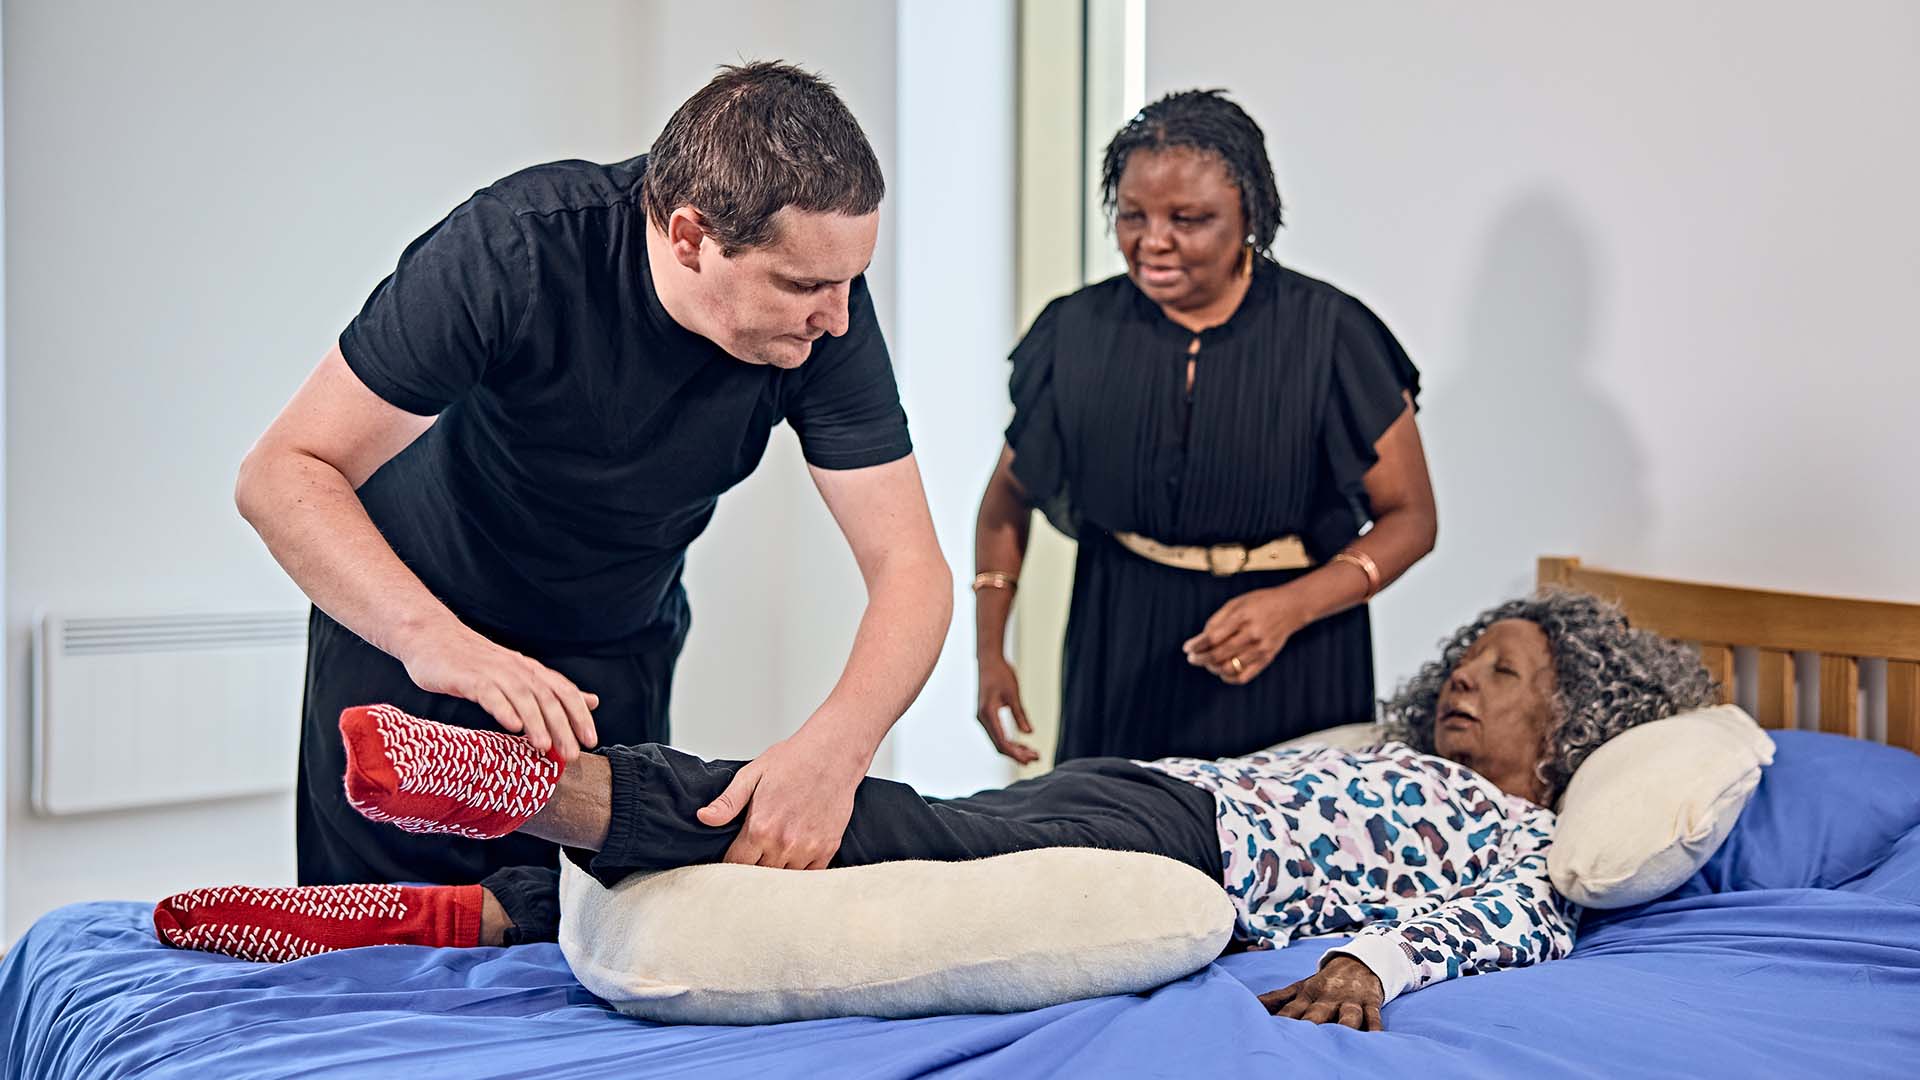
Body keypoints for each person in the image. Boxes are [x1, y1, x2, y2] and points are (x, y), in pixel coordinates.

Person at [155, 590, 1718, 1030]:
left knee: (869, 823)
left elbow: (1514, 921)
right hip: (1144, 793)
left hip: (1184, 849)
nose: (1467, 685)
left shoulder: (1528, 840)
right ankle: (461, 904)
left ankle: (514, 792)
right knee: (861, 829)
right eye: (1472, 659)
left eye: (1507, 675)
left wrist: (1377, 969)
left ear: (1575, 716)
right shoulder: (1396, 751)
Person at [234, 62, 951, 944]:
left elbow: (910, 566)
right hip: (414, 639)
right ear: (690, 237)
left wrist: (834, 753)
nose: (837, 319)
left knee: (582, 956)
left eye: (850, 281)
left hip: (610, 662)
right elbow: (282, 471)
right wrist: (437, 642)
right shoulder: (516, 251)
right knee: (386, 980)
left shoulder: (825, 310)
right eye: (803, 287)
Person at [972, 89, 1437, 767]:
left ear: (1250, 214)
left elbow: (1412, 518)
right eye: (1132, 215)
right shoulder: (1074, 331)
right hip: (1121, 643)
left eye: (1188, 218)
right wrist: (991, 652)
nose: (1152, 240)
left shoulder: (1332, 334)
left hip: (1298, 653)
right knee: (1110, 860)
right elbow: (1006, 500)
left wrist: (1292, 607)